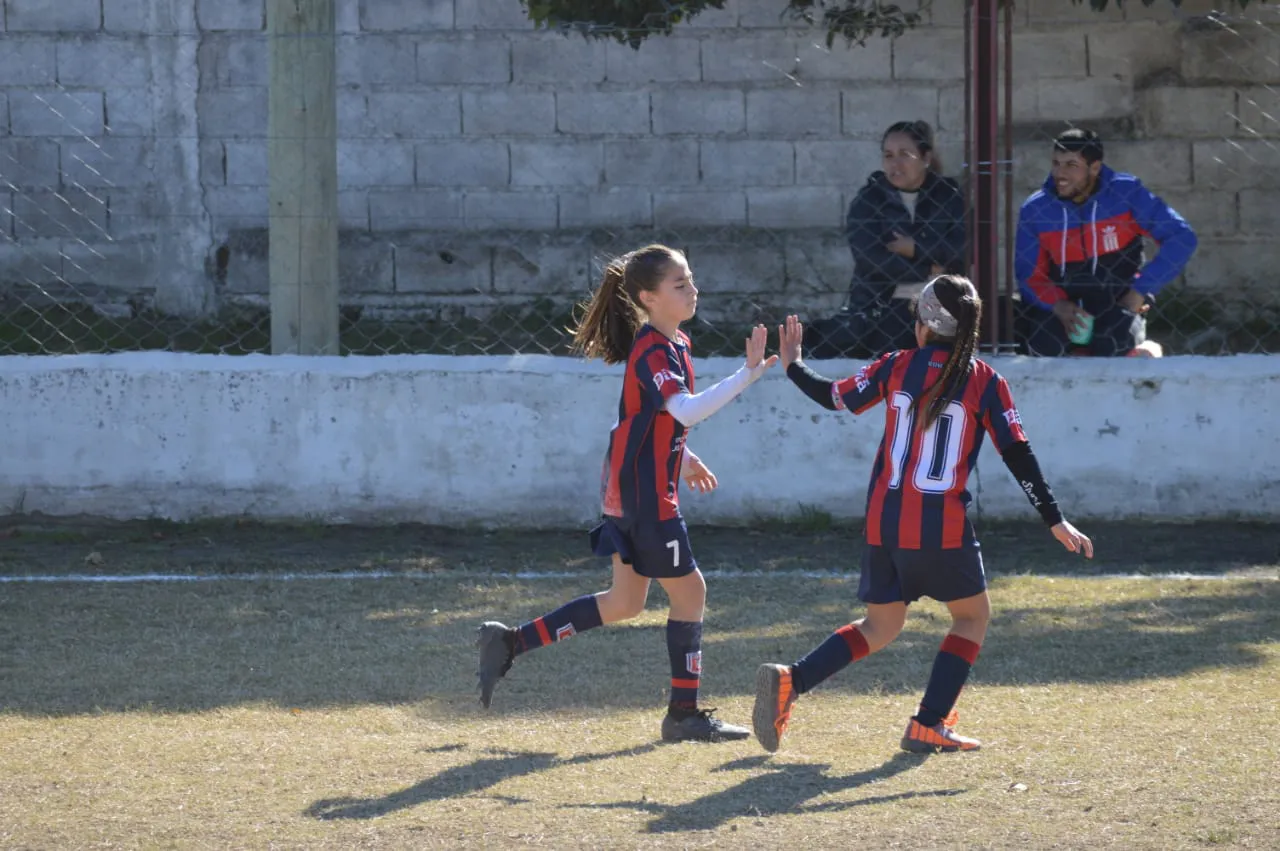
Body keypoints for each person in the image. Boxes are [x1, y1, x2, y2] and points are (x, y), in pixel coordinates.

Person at [752, 275, 1093, 755]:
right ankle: (928, 723)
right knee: (972, 617)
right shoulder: (987, 382)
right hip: (940, 525)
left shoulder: (897, 366)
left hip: (884, 520)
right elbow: (1018, 453)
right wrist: (1054, 518)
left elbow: (833, 397)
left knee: (881, 626)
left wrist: (793, 365)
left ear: (923, 326)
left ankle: (793, 680)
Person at [475, 244, 778, 743]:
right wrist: (745, 376)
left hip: (632, 486)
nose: (692, 289)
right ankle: (682, 714)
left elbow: (651, 420)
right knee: (691, 594)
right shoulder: (655, 349)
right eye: (679, 284)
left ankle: (510, 642)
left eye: (691, 278)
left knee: (624, 602)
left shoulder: (673, 342)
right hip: (644, 496)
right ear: (647, 297)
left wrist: (683, 457)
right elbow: (682, 410)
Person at [1016, 128, 1197, 357]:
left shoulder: (1127, 193)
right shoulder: (1035, 209)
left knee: (1112, 346)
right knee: (1046, 347)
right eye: (1056, 163)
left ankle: (1148, 350)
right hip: (1064, 307)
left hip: (1118, 303)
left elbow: (1181, 237)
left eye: (1071, 165)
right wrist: (1057, 305)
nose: (1059, 173)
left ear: (1095, 168)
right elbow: (1029, 276)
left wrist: (1139, 292)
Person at [806, 120, 966, 360]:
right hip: (882, 302)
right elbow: (872, 260)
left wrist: (914, 248)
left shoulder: (949, 196)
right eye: (888, 155)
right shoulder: (869, 200)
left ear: (926, 158)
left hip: (938, 302)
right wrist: (927, 269)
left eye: (905, 154)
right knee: (896, 338)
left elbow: (961, 250)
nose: (895, 163)